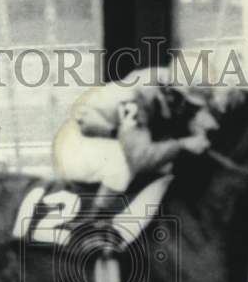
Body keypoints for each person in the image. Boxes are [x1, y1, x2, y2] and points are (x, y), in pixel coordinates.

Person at [53, 68, 215, 242]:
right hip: (79, 144)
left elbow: (195, 121)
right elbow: (138, 158)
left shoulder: (169, 89)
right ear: (171, 93)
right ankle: (95, 220)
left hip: (116, 134)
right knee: (123, 160)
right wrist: (183, 144)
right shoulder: (135, 98)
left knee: (165, 164)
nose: (193, 112)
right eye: (190, 106)